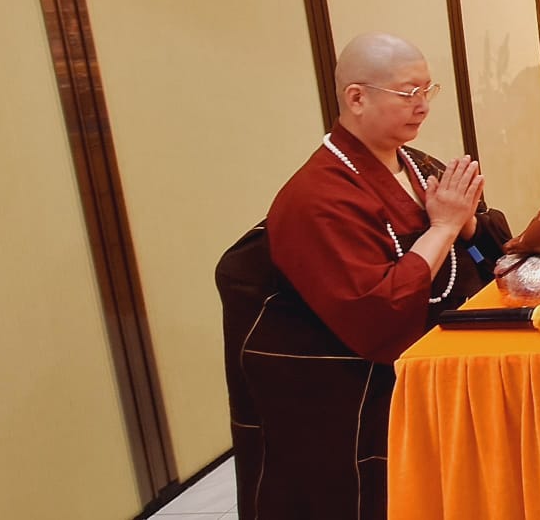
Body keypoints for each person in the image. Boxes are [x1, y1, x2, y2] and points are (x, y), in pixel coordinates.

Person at [216, 33, 511, 520]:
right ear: (356, 98)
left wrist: (468, 225)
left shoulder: (420, 166)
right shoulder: (317, 198)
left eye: (427, 91)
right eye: (408, 93)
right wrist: (442, 227)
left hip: (442, 366)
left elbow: (486, 254)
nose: (423, 106)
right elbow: (378, 316)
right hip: (360, 389)